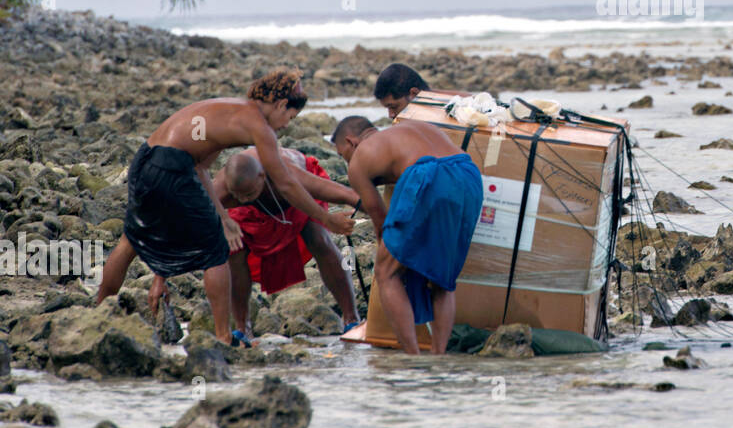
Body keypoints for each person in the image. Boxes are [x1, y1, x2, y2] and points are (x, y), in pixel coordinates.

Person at [94, 69, 356, 346]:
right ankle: (223, 336)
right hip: (172, 164)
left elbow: (201, 167)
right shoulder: (259, 126)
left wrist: (223, 217)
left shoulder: (227, 113)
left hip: (146, 159)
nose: (286, 126)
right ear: (280, 105)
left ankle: (100, 312)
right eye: (289, 118)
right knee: (216, 251)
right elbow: (287, 184)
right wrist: (327, 219)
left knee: (130, 240)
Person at [331, 115, 482, 354]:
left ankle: (413, 356)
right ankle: (438, 354)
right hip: (468, 174)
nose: (345, 160)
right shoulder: (410, 127)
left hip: (430, 176)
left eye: (342, 154)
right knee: (442, 279)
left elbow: (380, 218)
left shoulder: (359, 160)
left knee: (386, 272)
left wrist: (390, 254)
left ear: (351, 142)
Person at [214, 146, 362, 341]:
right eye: (237, 196)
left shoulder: (287, 175)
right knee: (234, 250)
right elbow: (183, 219)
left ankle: (351, 319)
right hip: (253, 210)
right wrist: (224, 221)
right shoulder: (223, 190)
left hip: (293, 196)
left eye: (248, 194)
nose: (242, 199)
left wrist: (385, 223)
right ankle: (243, 328)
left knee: (318, 237)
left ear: (262, 177)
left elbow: (348, 195)